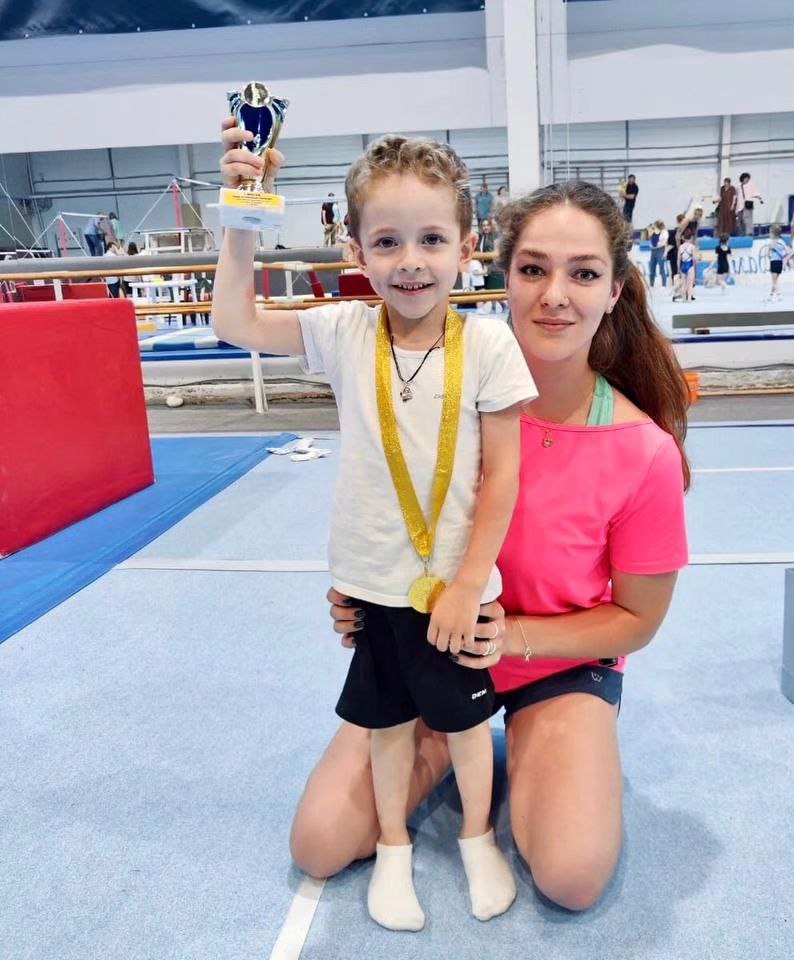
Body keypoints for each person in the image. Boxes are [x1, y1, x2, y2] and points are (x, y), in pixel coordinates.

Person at [292, 180, 690, 914]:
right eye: (533, 269)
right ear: (501, 275)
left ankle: (550, 749)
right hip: (430, 648)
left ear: (615, 291)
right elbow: (388, 514)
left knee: (571, 875)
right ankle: (461, 747)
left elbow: (638, 620)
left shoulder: (643, 451)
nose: (554, 295)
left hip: (555, 666)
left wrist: (510, 639)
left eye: (584, 273)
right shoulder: (430, 397)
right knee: (319, 841)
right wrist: (364, 595)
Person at [214, 124, 539, 931]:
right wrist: (243, 209)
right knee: (387, 725)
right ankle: (393, 843)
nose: (410, 261)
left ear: (467, 246)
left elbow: (505, 476)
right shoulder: (345, 333)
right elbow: (235, 322)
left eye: (431, 239)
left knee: (467, 723)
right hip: (371, 584)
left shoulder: (489, 344)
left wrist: (469, 583)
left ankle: (475, 835)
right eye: (387, 241)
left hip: (457, 589)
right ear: (355, 249)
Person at [766, 224, 790, 301]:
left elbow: (768, 254)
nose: (769, 234)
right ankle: (771, 295)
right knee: (775, 280)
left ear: (773, 234)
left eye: (770, 233)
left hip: (774, 262)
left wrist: (770, 255)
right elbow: (786, 252)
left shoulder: (771, 243)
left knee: (774, 281)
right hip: (780, 263)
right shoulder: (782, 242)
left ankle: (779, 295)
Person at [735, 172, 762, 236]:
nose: (747, 180)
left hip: (748, 204)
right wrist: (736, 208)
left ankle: (749, 233)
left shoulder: (751, 185)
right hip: (740, 206)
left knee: (748, 220)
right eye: (746, 178)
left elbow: (756, 192)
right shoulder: (738, 186)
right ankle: (741, 234)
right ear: (743, 178)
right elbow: (736, 196)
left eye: (748, 179)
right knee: (740, 220)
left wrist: (759, 197)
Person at [675, 233, 698, 302]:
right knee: (690, 284)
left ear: (683, 238)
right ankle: (689, 299)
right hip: (690, 265)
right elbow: (694, 259)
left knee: (683, 284)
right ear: (691, 238)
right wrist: (695, 267)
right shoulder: (692, 247)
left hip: (683, 265)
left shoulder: (680, 247)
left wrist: (678, 269)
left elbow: (678, 259)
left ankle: (684, 299)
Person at [647, 219, 669, 288]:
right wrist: (651, 231)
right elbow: (650, 238)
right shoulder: (653, 231)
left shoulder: (664, 232)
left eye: (655, 225)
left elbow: (664, 243)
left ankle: (664, 285)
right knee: (652, 267)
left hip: (660, 250)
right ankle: (651, 284)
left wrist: (665, 252)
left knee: (661, 268)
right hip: (653, 250)